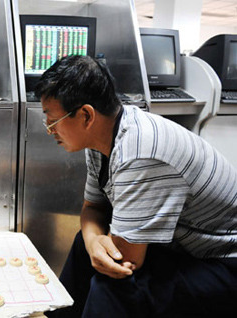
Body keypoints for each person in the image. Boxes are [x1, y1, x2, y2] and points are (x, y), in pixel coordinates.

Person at [36, 55, 237, 317]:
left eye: (52, 122)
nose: (51, 132)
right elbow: (92, 208)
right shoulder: (103, 136)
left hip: (220, 261)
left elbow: (127, 259)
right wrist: (92, 241)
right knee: (88, 247)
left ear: (86, 115)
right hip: (180, 245)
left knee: (112, 281)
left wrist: (96, 243)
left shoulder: (141, 153)